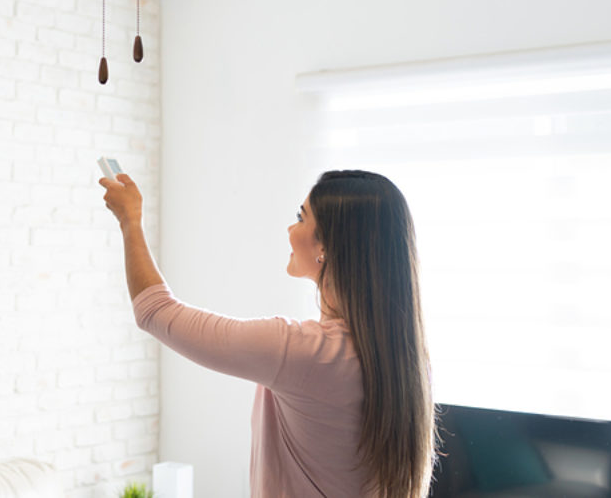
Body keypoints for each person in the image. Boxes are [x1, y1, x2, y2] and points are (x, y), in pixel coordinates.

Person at [99, 169, 436, 498]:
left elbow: (155, 311)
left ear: (328, 247)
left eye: (301, 218)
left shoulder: (305, 352)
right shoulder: (403, 356)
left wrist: (131, 221)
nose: (291, 229)